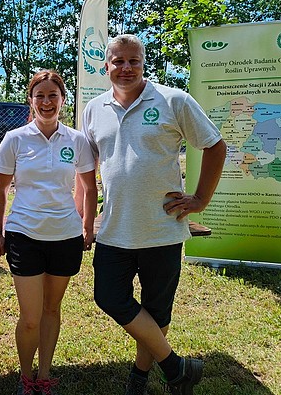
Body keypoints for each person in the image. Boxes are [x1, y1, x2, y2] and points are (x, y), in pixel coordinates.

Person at [75, 34, 227, 395]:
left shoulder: (174, 100)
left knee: (157, 314)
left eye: (134, 61)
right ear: (106, 65)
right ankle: (176, 368)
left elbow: (215, 145)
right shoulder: (93, 109)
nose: (126, 68)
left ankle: (139, 377)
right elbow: (86, 171)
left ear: (144, 64)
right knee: (108, 297)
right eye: (118, 61)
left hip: (162, 229)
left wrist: (201, 198)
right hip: (115, 228)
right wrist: (82, 218)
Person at [0, 70, 98, 395]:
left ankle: (45, 375)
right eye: (40, 96)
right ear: (31, 100)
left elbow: (90, 188)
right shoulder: (14, 139)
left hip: (65, 237)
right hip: (25, 235)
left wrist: (86, 227)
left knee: (52, 310)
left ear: (63, 99)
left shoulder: (77, 140)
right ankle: (26, 377)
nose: (47, 102)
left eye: (53, 96)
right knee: (31, 317)